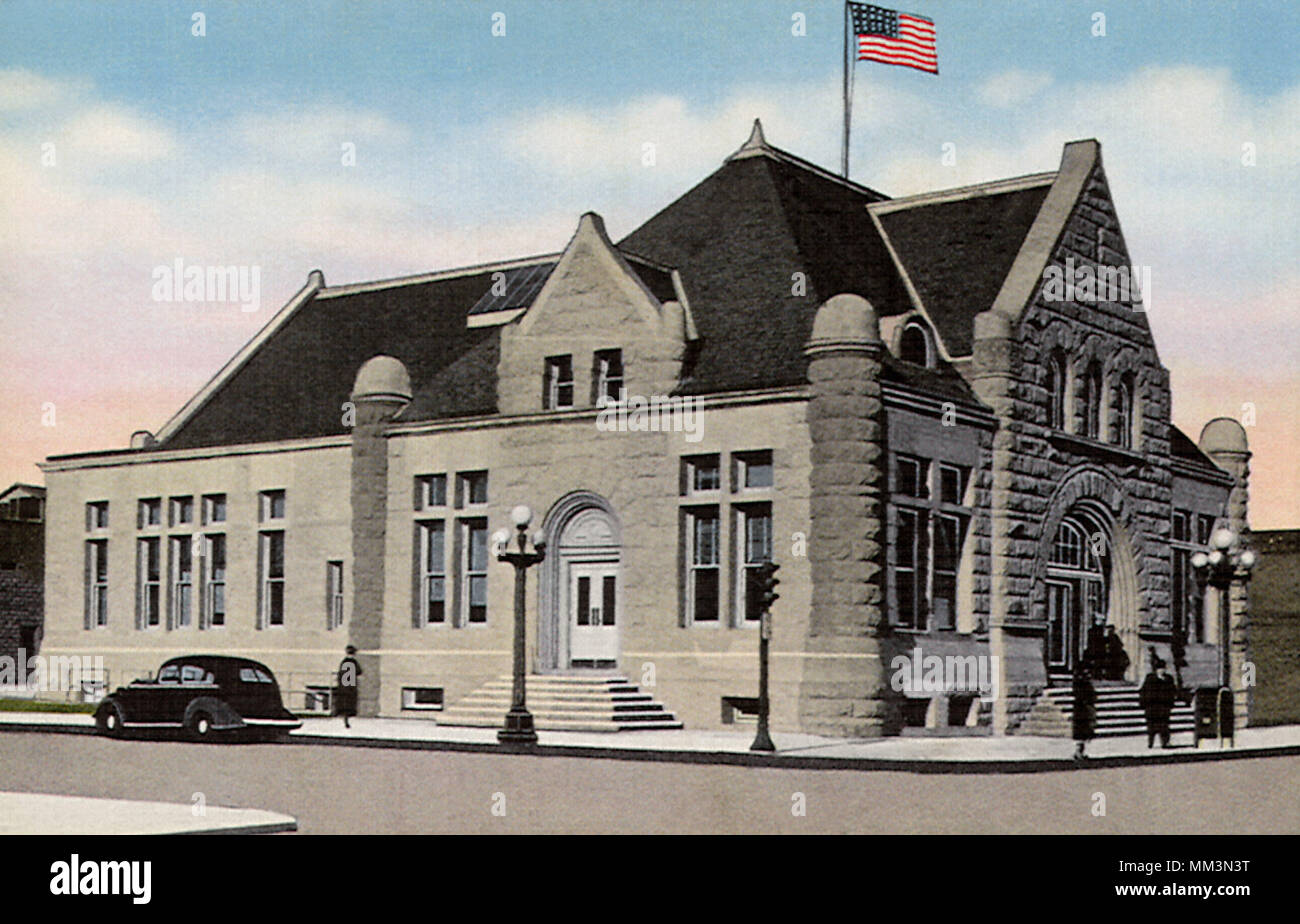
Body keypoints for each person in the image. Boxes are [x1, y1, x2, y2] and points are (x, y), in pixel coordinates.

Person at [1138, 655, 1178, 748]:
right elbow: (1144, 691)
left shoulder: (1168, 679)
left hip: (1164, 707)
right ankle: (1150, 742)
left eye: (1163, 669)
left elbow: (1172, 691)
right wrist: (1143, 703)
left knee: (1164, 726)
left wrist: (1171, 703)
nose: (1161, 671)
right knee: (1151, 727)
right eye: (1160, 669)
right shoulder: (1150, 678)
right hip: (1152, 707)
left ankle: (1165, 742)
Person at [1071, 662, 1097, 762]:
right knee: (1082, 733)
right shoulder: (1082, 683)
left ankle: (1080, 752)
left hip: (1083, 710)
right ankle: (1078, 753)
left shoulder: (1080, 683)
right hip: (1083, 710)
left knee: (1083, 734)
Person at [336, 645, 362, 729]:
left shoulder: (344, 662)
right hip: (351, 686)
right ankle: (347, 719)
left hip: (344, 686)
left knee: (344, 703)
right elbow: (359, 671)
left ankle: (345, 718)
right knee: (350, 703)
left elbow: (340, 673)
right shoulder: (354, 662)